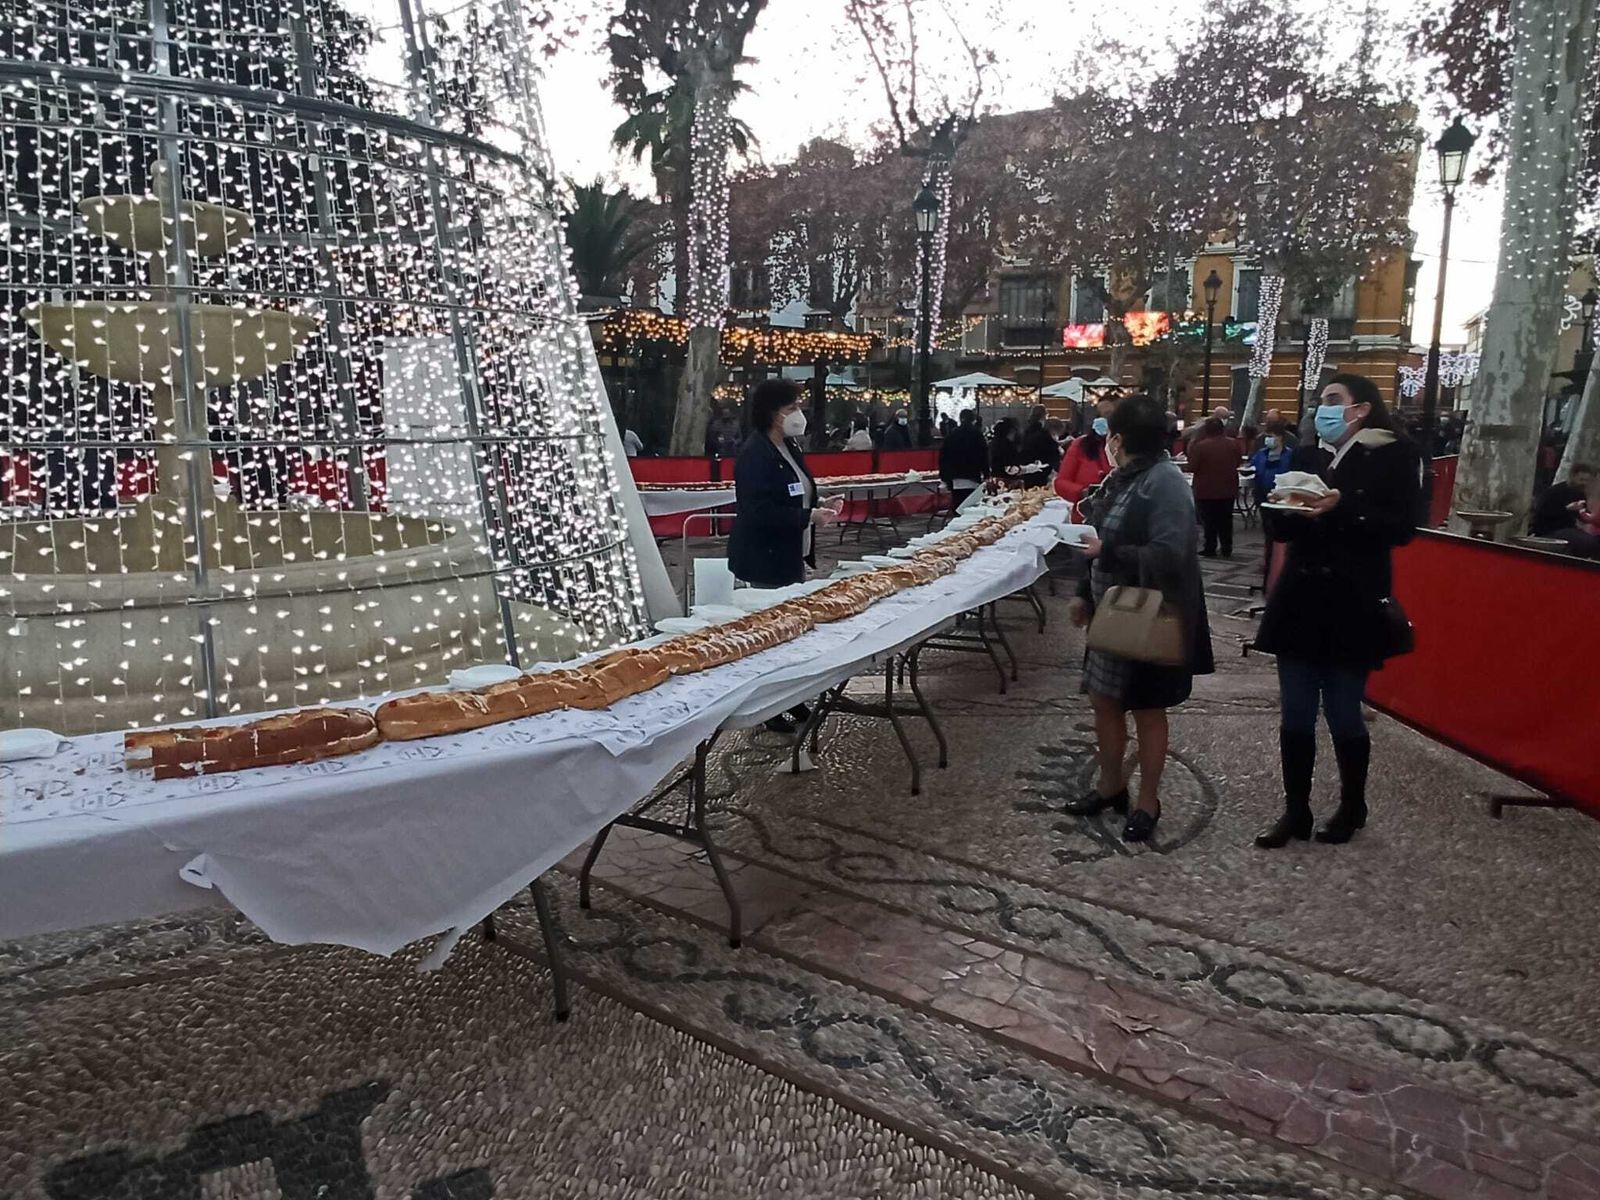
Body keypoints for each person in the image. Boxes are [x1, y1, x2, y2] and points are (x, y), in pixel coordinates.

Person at [1252, 373, 1423, 849]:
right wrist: (1281, 507)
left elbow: (1402, 528)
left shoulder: (1394, 455)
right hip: (1300, 599)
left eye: (1332, 400)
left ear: (1361, 408)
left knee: (1344, 712)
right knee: (1295, 713)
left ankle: (1352, 804)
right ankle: (1296, 810)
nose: (1321, 408)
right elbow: (1283, 530)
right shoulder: (1308, 455)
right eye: (1320, 400)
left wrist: (1341, 507)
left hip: (1353, 601)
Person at [1066, 394, 1215, 843]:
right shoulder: (1122, 479)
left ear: (1120, 439)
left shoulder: (1164, 482)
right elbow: (1096, 537)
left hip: (1149, 618)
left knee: (1148, 711)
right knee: (1105, 702)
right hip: (1110, 614)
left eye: (1111, 434)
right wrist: (1081, 592)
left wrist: (1108, 552)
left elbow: (1171, 553)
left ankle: (1148, 800)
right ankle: (1111, 787)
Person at [727, 380, 844, 733]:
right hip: (764, 555)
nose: (798, 414)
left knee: (789, 632)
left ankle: (790, 698)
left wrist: (819, 504)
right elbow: (757, 511)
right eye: (791, 407)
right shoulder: (754, 454)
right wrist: (806, 517)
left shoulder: (789, 447)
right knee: (770, 634)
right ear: (773, 412)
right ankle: (767, 705)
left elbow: (796, 491)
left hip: (791, 553)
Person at [1186, 416, 1242, 557]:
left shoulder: (1200, 446)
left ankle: (1210, 547)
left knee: (1209, 521)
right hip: (1228, 488)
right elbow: (1238, 462)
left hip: (1206, 489)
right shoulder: (1233, 444)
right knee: (1226, 519)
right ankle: (1226, 547)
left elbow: (1192, 467)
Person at [1055, 397, 1116, 507]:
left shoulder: (1130, 446)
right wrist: (1084, 492)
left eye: (1110, 415)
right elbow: (1061, 483)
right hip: (1085, 515)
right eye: (1103, 415)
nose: (1107, 419)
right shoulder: (1081, 445)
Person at [939, 408, 989, 510]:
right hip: (972, 475)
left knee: (958, 505)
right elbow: (983, 455)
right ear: (973, 419)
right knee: (971, 506)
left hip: (955, 475)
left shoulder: (952, 434)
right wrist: (986, 473)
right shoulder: (977, 434)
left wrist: (944, 476)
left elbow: (944, 456)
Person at [1530, 462, 1594, 536]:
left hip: (1571, 530)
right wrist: (1566, 509)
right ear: (1573, 477)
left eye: (1587, 480)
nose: (1584, 483)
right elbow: (1542, 515)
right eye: (1581, 480)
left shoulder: (1581, 493)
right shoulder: (1554, 492)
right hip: (1550, 531)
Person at [1019, 404, 1064, 488]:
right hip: (1041, 471)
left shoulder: (1026, 431)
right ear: (1044, 416)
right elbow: (1053, 452)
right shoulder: (1043, 434)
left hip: (1026, 469)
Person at [1249, 429, 1296, 505]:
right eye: (1266, 436)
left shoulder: (1290, 455)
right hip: (1261, 493)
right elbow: (1252, 467)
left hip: (1282, 495)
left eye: (1270, 436)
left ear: (1280, 437)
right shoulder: (1261, 453)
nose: (1267, 439)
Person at [988, 417, 1024, 483]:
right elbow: (1011, 469)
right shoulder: (1009, 447)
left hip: (995, 480)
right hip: (1008, 482)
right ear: (1012, 430)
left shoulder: (993, 443)